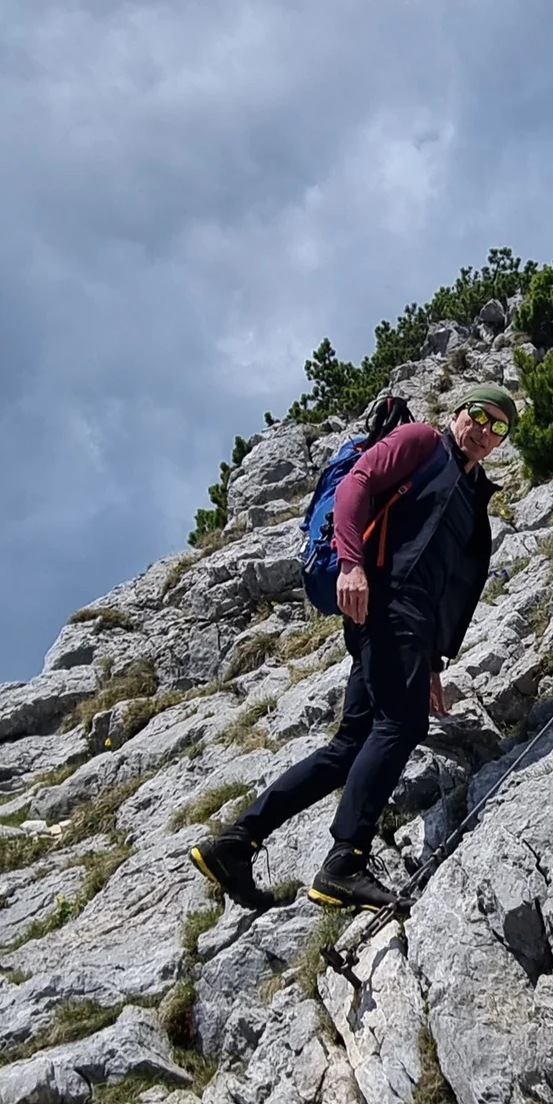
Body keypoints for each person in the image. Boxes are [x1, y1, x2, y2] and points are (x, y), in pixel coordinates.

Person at [190, 384, 514, 910]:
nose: (484, 431)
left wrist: (431, 662)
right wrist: (350, 563)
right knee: (401, 726)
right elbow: (356, 486)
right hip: (384, 600)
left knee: (350, 744)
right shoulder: (421, 442)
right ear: (459, 413)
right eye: (479, 415)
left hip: (404, 619)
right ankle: (346, 862)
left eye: (498, 427)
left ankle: (236, 842)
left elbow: (442, 580)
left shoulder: (472, 492)